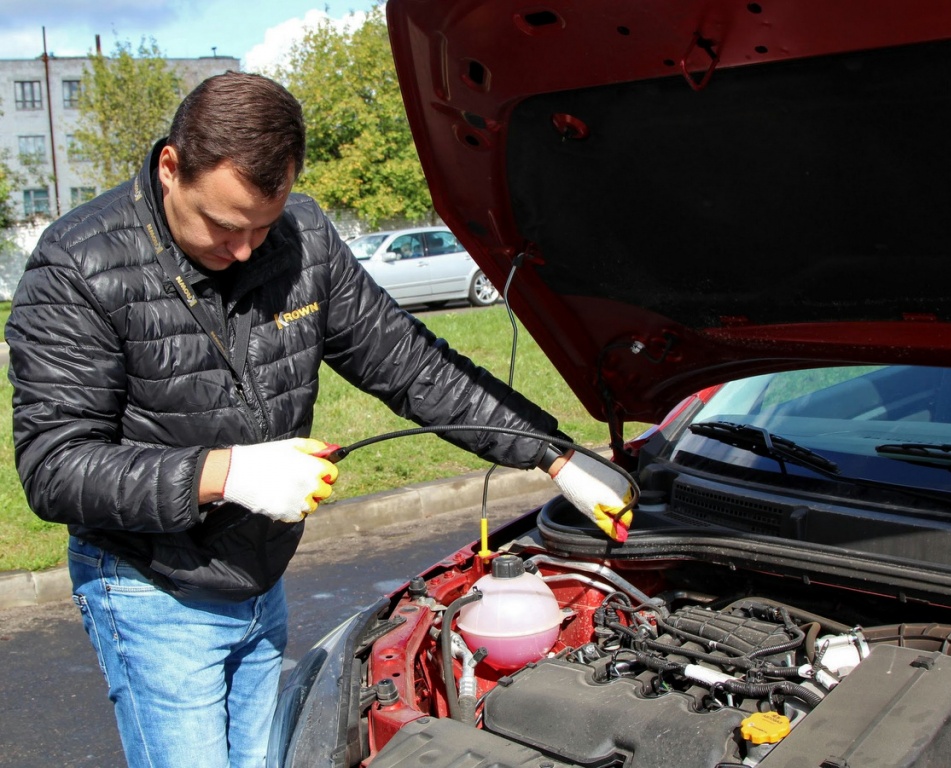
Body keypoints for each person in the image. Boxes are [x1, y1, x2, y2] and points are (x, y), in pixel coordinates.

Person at [6, 72, 629, 768]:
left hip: (260, 572)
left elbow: (414, 368)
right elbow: (54, 467)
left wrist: (553, 455)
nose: (244, 249)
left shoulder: (303, 241)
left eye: (260, 227)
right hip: (152, 584)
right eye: (222, 224)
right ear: (171, 167)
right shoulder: (78, 265)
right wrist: (226, 473)